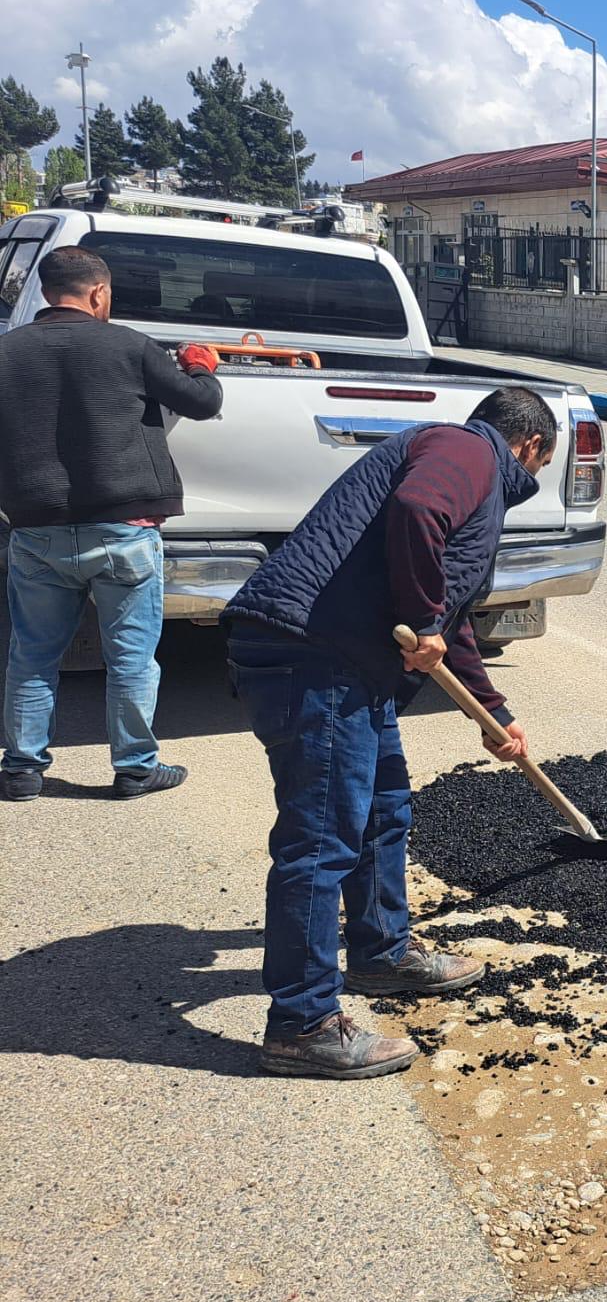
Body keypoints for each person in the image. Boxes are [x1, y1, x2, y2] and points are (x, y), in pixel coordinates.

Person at [222, 387, 556, 1079]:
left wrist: (491, 713)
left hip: (352, 666)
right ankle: (302, 1023)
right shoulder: (468, 450)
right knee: (321, 841)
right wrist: (424, 620)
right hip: (312, 655)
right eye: (540, 467)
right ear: (530, 445)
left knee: (383, 810)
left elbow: (451, 617)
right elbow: (417, 514)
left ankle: (380, 953)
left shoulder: (470, 470)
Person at [0, 245, 223, 801]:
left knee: (31, 655)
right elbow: (200, 403)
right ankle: (135, 768)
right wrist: (200, 363)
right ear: (98, 292)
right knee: (129, 657)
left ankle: (22, 770)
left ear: (47, 290)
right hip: (124, 528)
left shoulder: (6, 351)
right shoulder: (129, 345)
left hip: (35, 528)